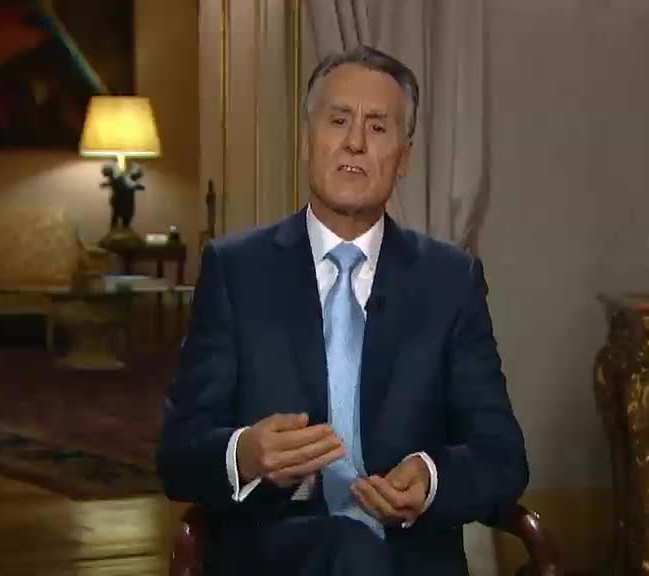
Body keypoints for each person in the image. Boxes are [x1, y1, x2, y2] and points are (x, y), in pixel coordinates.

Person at [156, 45, 528, 576]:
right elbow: (178, 454)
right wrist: (246, 454)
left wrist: (431, 477)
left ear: (404, 158)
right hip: (274, 556)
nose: (355, 141)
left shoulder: (450, 281)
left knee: (360, 552)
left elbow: (502, 455)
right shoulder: (236, 270)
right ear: (307, 140)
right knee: (346, 546)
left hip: (407, 558)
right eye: (338, 121)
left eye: (378, 127)